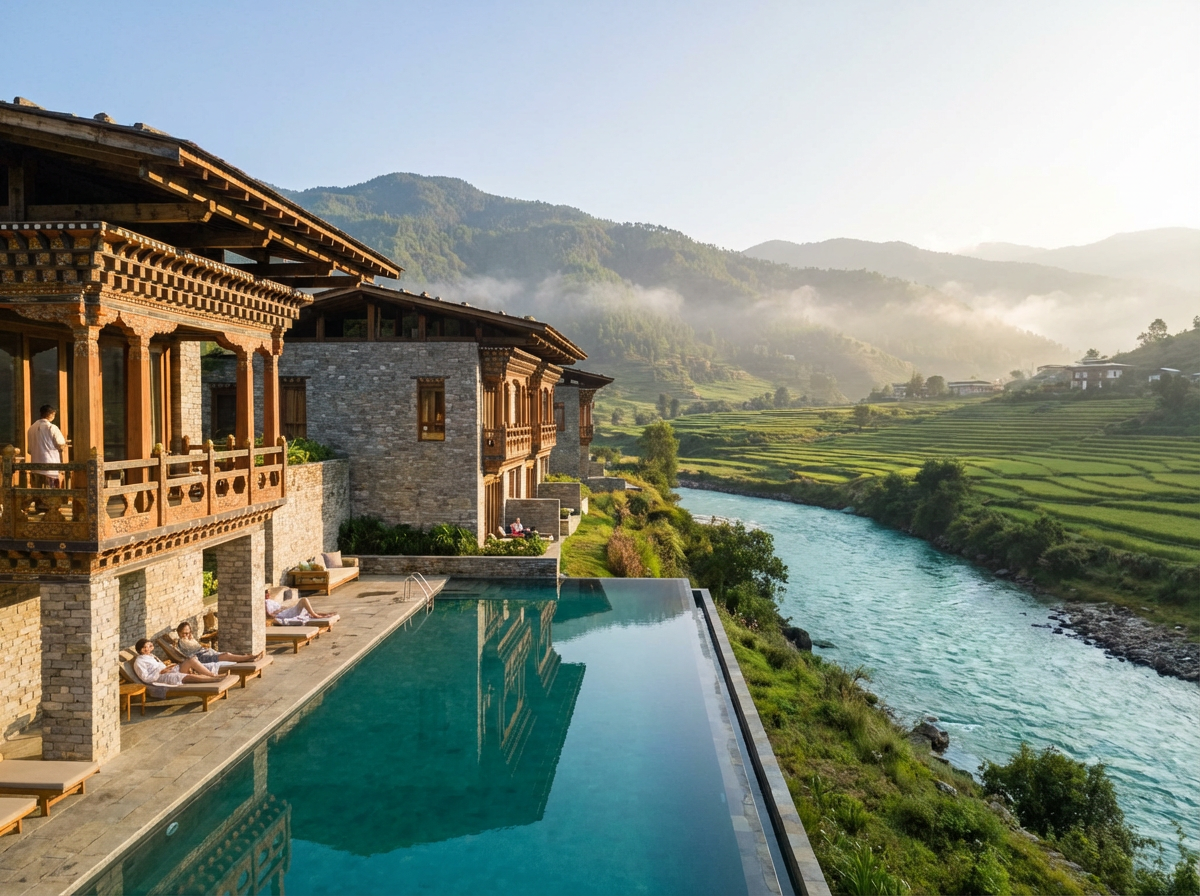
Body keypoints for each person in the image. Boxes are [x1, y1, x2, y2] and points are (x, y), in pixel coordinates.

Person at [133, 638, 229, 686]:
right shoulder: (139, 662)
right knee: (188, 676)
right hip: (160, 678)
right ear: (140, 649)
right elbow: (145, 678)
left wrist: (169, 667)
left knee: (191, 660)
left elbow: (160, 666)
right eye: (144, 647)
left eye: (149, 646)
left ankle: (212, 675)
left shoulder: (151, 656)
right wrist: (160, 672)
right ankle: (214, 679)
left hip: (168, 671)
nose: (148, 649)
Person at [174, 622, 260, 664]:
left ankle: (248, 658)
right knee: (226, 655)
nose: (187, 635)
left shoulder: (189, 639)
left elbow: (197, 646)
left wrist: (191, 638)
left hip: (206, 653)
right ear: (179, 632)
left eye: (188, 632)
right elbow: (184, 654)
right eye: (184, 633)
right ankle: (248, 657)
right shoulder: (181, 642)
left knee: (227, 654)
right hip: (202, 658)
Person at [26, 404, 67, 487]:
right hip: (50, 465)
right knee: (51, 494)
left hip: (35, 465)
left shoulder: (31, 428)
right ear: (51, 414)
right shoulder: (51, 427)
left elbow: (29, 450)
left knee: (37, 493)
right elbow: (61, 444)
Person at [265, 594, 335, 625]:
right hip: (282, 614)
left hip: (285, 611)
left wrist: (283, 608)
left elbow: (280, 606)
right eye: (266, 593)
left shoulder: (270, 601)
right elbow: (269, 615)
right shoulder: (264, 603)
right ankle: (315, 615)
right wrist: (276, 613)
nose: (268, 594)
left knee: (305, 608)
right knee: (304, 600)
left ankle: (316, 614)